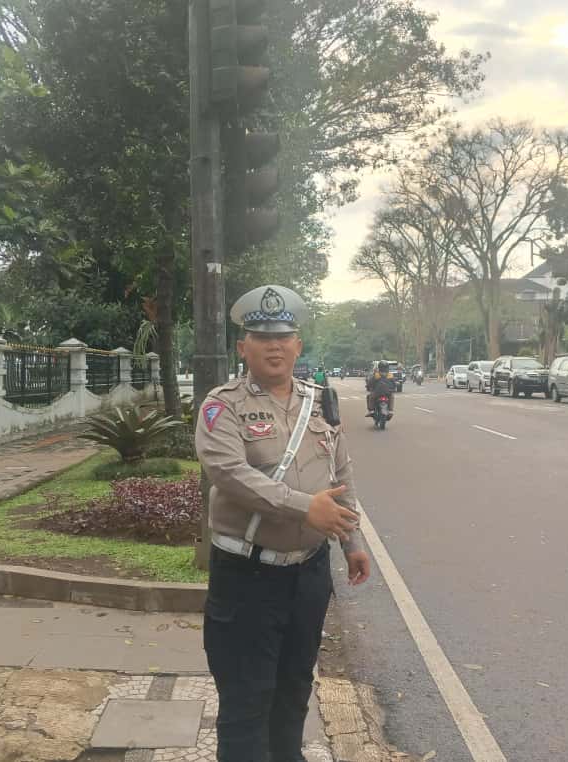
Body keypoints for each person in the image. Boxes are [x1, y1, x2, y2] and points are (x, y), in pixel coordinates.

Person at [195, 284, 371, 762]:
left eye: (283, 337)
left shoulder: (320, 400)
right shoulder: (222, 405)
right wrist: (303, 507)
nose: (274, 346)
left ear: (297, 345)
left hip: (308, 574)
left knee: (293, 693)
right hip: (247, 579)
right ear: (243, 346)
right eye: (262, 337)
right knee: (246, 704)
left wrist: (351, 541)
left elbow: (340, 475)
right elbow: (228, 473)